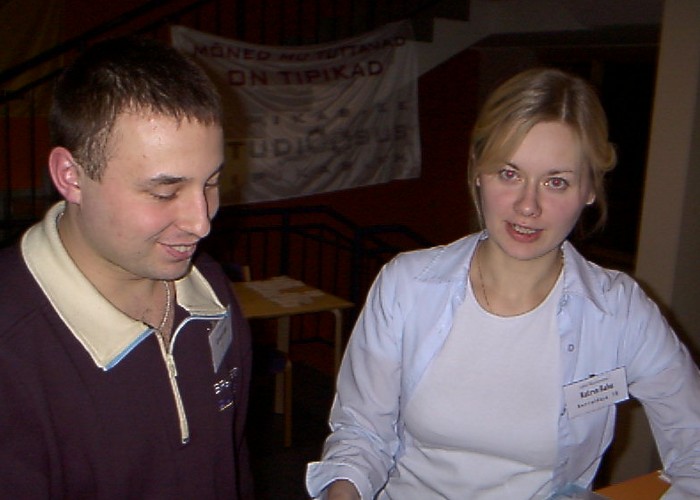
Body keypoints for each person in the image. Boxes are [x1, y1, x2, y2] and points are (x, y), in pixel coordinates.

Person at [306, 67, 700, 499]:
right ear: (478, 170)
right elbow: (361, 433)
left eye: (556, 182)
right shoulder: (407, 285)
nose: (528, 206)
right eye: (509, 174)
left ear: (590, 189)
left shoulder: (619, 312)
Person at [0, 36, 253, 498]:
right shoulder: (12, 349)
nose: (201, 223)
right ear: (71, 177)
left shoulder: (210, 288)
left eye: (212, 182)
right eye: (164, 192)